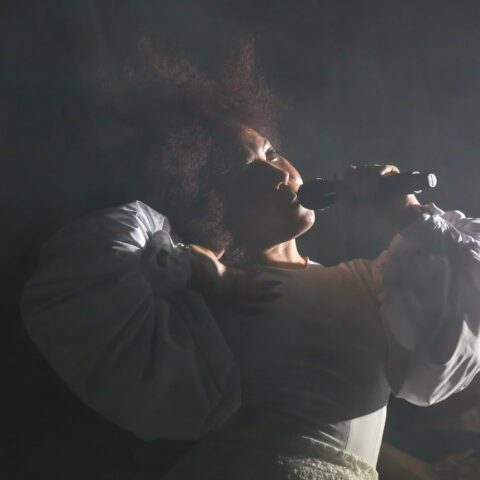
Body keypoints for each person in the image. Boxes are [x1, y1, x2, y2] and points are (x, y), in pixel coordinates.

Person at [21, 39, 480, 479]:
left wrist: (409, 216)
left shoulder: (371, 286)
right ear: (209, 204)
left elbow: (443, 363)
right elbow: (81, 271)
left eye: (272, 152)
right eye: (245, 172)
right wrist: (188, 265)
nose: (278, 173)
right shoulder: (195, 288)